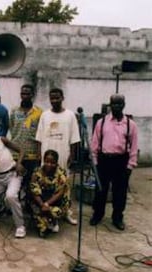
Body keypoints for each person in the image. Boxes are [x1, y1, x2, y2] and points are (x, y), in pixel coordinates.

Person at [89, 94, 138, 231]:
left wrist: (130, 165)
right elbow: (94, 144)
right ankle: (97, 214)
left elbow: (133, 146)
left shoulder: (130, 124)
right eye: (114, 104)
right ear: (110, 105)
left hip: (121, 162)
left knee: (120, 192)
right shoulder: (102, 122)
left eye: (119, 103)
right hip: (104, 161)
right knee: (100, 190)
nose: (116, 106)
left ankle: (117, 217)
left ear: (124, 105)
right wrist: (95, 162)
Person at [35, 88, 80, 225]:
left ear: (62, 98)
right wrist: (39, 154)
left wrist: (72, 156)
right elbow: (39, 137)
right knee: (47, 184)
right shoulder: (45, 115)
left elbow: (74, 138)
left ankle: (65, 211)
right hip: (47, 156)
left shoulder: (70, 115)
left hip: (63, 154)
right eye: (52, 98)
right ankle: (48, 209)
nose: (54, 100)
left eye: (57, 98)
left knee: (64, 184)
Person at [10, 84, 43, 195]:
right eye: (23, 93)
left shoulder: (39, 112)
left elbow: (40, 132)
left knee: (30, 182)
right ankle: (14, 205)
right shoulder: (14, 111)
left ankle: (29, 205)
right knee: (15, 181)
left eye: (27, 94)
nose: (25, 96)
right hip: (16, 154)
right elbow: (12, 128)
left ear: (32, 95)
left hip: (32, 154)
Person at [30, 150, 71, 238]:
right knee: (43, 232)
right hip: (40, 201)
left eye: (52, 162)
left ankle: (53, 219)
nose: (49, 164)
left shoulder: (61, 172)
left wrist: (47, 204)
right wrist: (42, 204)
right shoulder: (37, 171)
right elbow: (34, 190)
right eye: (47, 161)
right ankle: (45, 221)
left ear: (56, 163)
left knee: (56, 212)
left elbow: (60, 193)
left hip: (54, 202)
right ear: (44, 161)